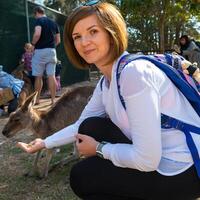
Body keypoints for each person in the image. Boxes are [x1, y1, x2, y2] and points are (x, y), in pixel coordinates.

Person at [17, 2, 200, 200]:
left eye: (93, 31)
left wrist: (99, 149)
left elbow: (148, 160)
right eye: (77, 36)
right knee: (91, 126)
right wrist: (45, 142)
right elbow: (81, 125)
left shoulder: (133, 74)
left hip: (184, 169)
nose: (84, 42)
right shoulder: (107, 81)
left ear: (111, 33)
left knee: (82, 176)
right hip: (158, 157)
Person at [31, 6, 60, 105]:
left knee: (38, 77)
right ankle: (53, 100)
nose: (35, 17)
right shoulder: (54, 23)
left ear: (37, 13)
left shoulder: (39, 21)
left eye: (34, 15)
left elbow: (37, 34)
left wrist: (33, 44)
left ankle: (37, 100)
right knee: (51, 76)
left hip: (39, 51)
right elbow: (58, 40)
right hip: (51, 51)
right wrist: (51, 47)